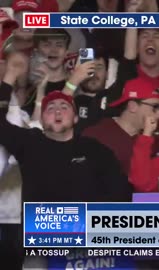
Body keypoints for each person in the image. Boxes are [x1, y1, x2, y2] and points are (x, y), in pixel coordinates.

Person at [0, 52, 132, 203]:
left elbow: (120, 192)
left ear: (76, 118)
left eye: (64, 107)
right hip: (40, 224)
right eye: (50, 108)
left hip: (82, 224)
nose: (57, 111)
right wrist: (10, 76)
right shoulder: (29, 142)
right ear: (42, 120)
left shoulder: (95, 149)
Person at [82, 77, 159, 193]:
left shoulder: (154, 142)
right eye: (155, 107)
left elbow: (144, 186)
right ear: (132, 106)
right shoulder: (96, 134)